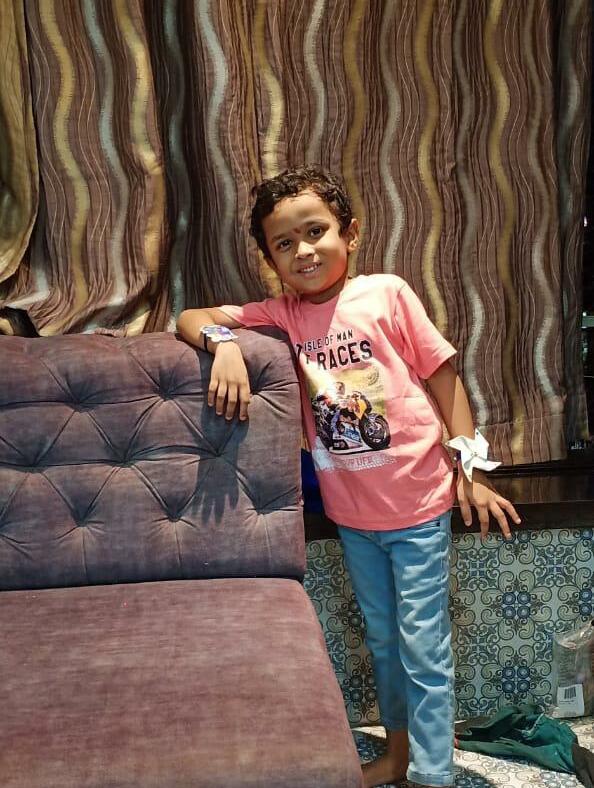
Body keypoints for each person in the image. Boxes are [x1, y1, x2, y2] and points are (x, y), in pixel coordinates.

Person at [177, 166, 521, 788]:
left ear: (351, 234)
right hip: (353, 515)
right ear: (270, 261)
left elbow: (444, 377)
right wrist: (223, 343)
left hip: (418, 505)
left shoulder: (387, 293)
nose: (304, 250)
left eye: (316, 232)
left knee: (423, 646)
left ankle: (434, 774)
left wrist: (469, 469)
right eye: (285, 243)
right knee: (385, 644)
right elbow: (190, 315)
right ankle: (398, 755)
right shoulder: (282, 314)